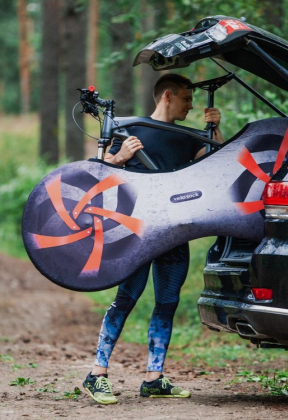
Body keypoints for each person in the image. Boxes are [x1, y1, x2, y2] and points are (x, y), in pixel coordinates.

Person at [82, 73, 224, 404]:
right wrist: (119, 157)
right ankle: (96, 374)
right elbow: (96, 171)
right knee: (126, 298)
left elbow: (216, 166)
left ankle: (154, 378)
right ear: (167, 97)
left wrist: (215, 130)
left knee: (167, 302)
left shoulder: (188, 137)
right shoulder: (132, 129)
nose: (191, 106)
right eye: (186, 99)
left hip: (174, 232)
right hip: (137, 231)